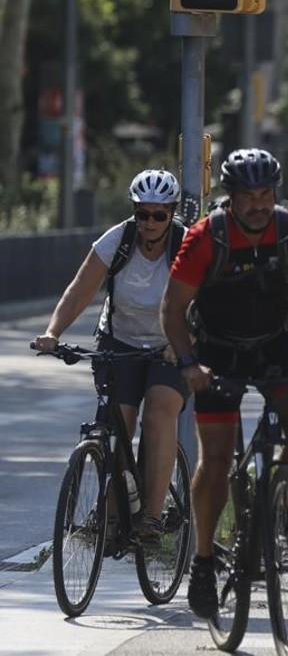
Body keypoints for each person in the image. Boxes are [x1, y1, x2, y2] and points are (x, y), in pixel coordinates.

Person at [160, 148, 288, 619]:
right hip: (218, 352)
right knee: (217, 460)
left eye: (266, 194)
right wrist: (188, 362)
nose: (259, 204)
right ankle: (205, 561)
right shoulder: (207, 237)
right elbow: (171, 308)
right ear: (231, 197)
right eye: (248, 196)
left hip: (274, 345)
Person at [33, 170, 190, 542]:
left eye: (158, 215)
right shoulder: (117, 240)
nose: (149, 223)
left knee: (160, 408)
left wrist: (184, 339)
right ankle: (115, 513)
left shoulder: (186, 245)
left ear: (172, 213)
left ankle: (152, 515)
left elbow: (206, 300)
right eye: (142, 213)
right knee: (118, 423)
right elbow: (80, 289)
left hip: (170, 343)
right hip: (119, 342)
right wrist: (53, 333)